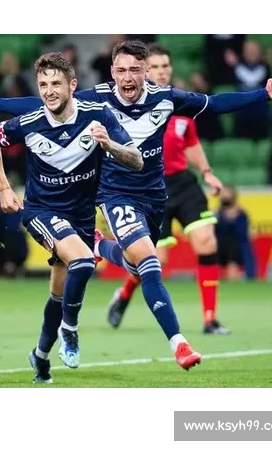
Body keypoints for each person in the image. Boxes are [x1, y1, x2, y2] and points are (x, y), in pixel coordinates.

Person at [0, 40, 272, 371]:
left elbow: (215, 103)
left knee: (126, 267)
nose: (127, 77)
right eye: (121, 70)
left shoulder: (166, 98)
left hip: (154, 194)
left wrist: (263, 94)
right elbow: (44, 103)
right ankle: (178, 342)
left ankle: (97, 254)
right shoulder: (98, 99)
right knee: (149, 261)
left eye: (135, 70)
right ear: (112, 72)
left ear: (146, 72)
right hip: (114, 194)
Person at [0, 52, 142, 384]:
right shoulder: (30, 122)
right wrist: (4, 188)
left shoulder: (98, 116)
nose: (49, 91)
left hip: (81, 217)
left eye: (55, 83)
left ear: (72, 85)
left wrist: (110, 145)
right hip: (42, 212)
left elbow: (136, 160)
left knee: (59, 293)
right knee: (83, 261)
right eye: (43, 85)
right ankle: (70, 329)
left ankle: (40, 356)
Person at [104, 43, 230, 335]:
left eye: (165, 66)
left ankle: (210, 319)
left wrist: (207, 172)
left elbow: (191, 143)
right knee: (154, 259)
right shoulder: (128, 105)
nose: (161, 72)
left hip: (182, 183)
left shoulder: (180, 104)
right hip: (148, 186)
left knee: (207, 242)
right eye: (155, 67)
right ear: (145, 70)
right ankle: (124, 295)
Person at [214, 185, 257, 281]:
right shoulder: (216, 214)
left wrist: (233, 219)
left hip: (236, 248)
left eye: (227, 194)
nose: (224, 197)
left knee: (234, 245)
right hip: (220, 247)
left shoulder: (241, 214)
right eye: (223, 194)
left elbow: (242, 234)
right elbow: (214, 232)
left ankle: (233, 275)